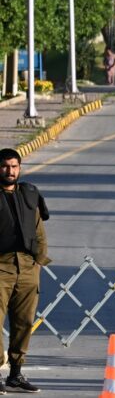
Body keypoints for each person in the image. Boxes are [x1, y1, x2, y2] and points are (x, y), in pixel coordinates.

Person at [0, 148, 50, 394]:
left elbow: (39, 230)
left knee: (24, 322)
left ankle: (16, 375)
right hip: (1, 266)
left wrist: (38, 262)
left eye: (14, 166)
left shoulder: (29, 194)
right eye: (5, 166)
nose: (10, 171)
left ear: (20, 168)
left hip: (27, 267)